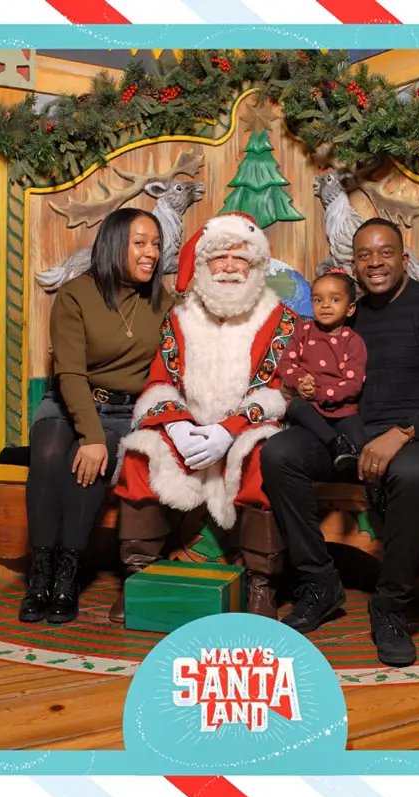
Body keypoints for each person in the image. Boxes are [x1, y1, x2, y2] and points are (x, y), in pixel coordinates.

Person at [261, 217, 419, 667]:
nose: (375, 262)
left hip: (414, 434)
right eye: (364, 255)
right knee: (279, 453)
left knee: (413, 473)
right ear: (353, 264)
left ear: (404, 258)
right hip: (347, 431)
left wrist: (402, 435)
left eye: (385, 252)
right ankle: (320, 583)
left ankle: (391, 608)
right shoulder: (343, 312)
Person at [109, 212, 298, 624]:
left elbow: (282, 391)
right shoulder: (179, 318)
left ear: (256, 266)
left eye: (239, 258)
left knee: (265, 460)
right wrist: (177, 426)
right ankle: (138, 578)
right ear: (204, 265)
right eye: (220, 259)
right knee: (141, 454)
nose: (229, 267)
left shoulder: (281, 320)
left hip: (245, 430)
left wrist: (228, 431)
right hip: (188, 429)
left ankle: (262, 586)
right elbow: (160, 381)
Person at [19, 208, 172, 625]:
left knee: (97, 457)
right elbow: (69, 372)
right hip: (69, 401)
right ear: (113, 245)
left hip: (123, 411)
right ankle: (41, 574)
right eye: (140, 243)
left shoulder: (164, 303)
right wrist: (86, 432)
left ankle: (67, 575)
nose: (151, 253)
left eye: (156, 244)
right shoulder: (76, 294)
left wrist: (95, 440)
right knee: (50, 453)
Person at [276, 268, 367, 471]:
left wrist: (319, 392)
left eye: (334, 300)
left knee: (361, 444)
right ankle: (334, 443)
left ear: (350, 309)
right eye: (318, 300)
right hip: (309, 407)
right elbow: (286, 364)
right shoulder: (304, 331)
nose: (325, 305)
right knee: (296, 407)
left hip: (342, 409)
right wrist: (301, 381)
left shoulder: (353, 342)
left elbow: (353, 384)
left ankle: (375, 490)